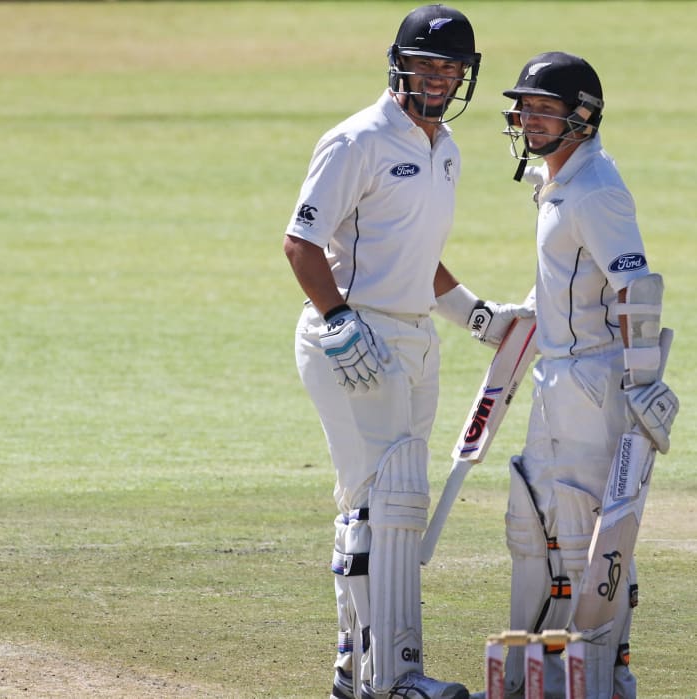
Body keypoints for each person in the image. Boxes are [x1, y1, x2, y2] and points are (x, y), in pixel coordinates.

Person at [283, 5, 532, 699]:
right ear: (399, 64)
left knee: (394, 503)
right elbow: (301, 241)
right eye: (427, 65)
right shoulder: (357, 139)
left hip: (416, 337)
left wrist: (477, 316)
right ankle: (393, 675)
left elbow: (417, 256)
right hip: (355, 336)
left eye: (451, 69)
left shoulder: (444, 145)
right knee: (380, 504)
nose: (440, 78)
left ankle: (360, 667)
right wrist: (336, 318)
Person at [477, 52, 678, 699]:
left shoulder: (596, 186)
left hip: (593, 382)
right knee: (533, 517)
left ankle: (600, 676)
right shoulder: (556, 180)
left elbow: (635, 285)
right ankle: (533, 672)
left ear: (582, 119)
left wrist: (643, 383)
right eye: (525, 107)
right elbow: (571, 284)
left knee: (591, 531)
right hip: (555, 374)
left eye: (544, 109)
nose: (528, 118)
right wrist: (514, 316)